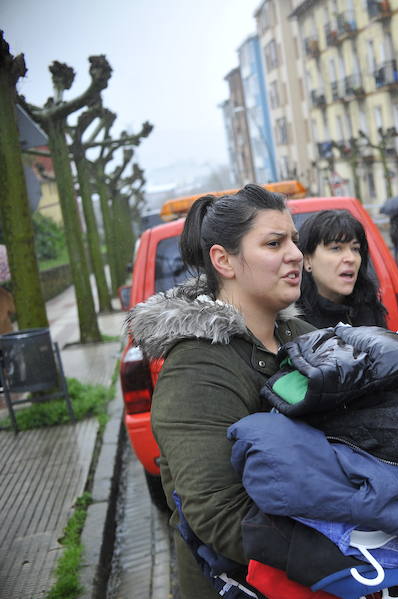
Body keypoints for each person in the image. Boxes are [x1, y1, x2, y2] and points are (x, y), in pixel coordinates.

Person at [125, 184, 316, 599]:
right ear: (223, 260)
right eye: (274, 242)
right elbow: (219, 514)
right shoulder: (198, 367)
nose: (296, 255)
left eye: (294, 241)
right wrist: (349, 551)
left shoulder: (301, 335)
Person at [295, 209, 388, 328]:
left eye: (355, 249)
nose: (351, 258)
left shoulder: (369, 307)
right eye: (336, 248)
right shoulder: (295, 322)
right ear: (307, 260)